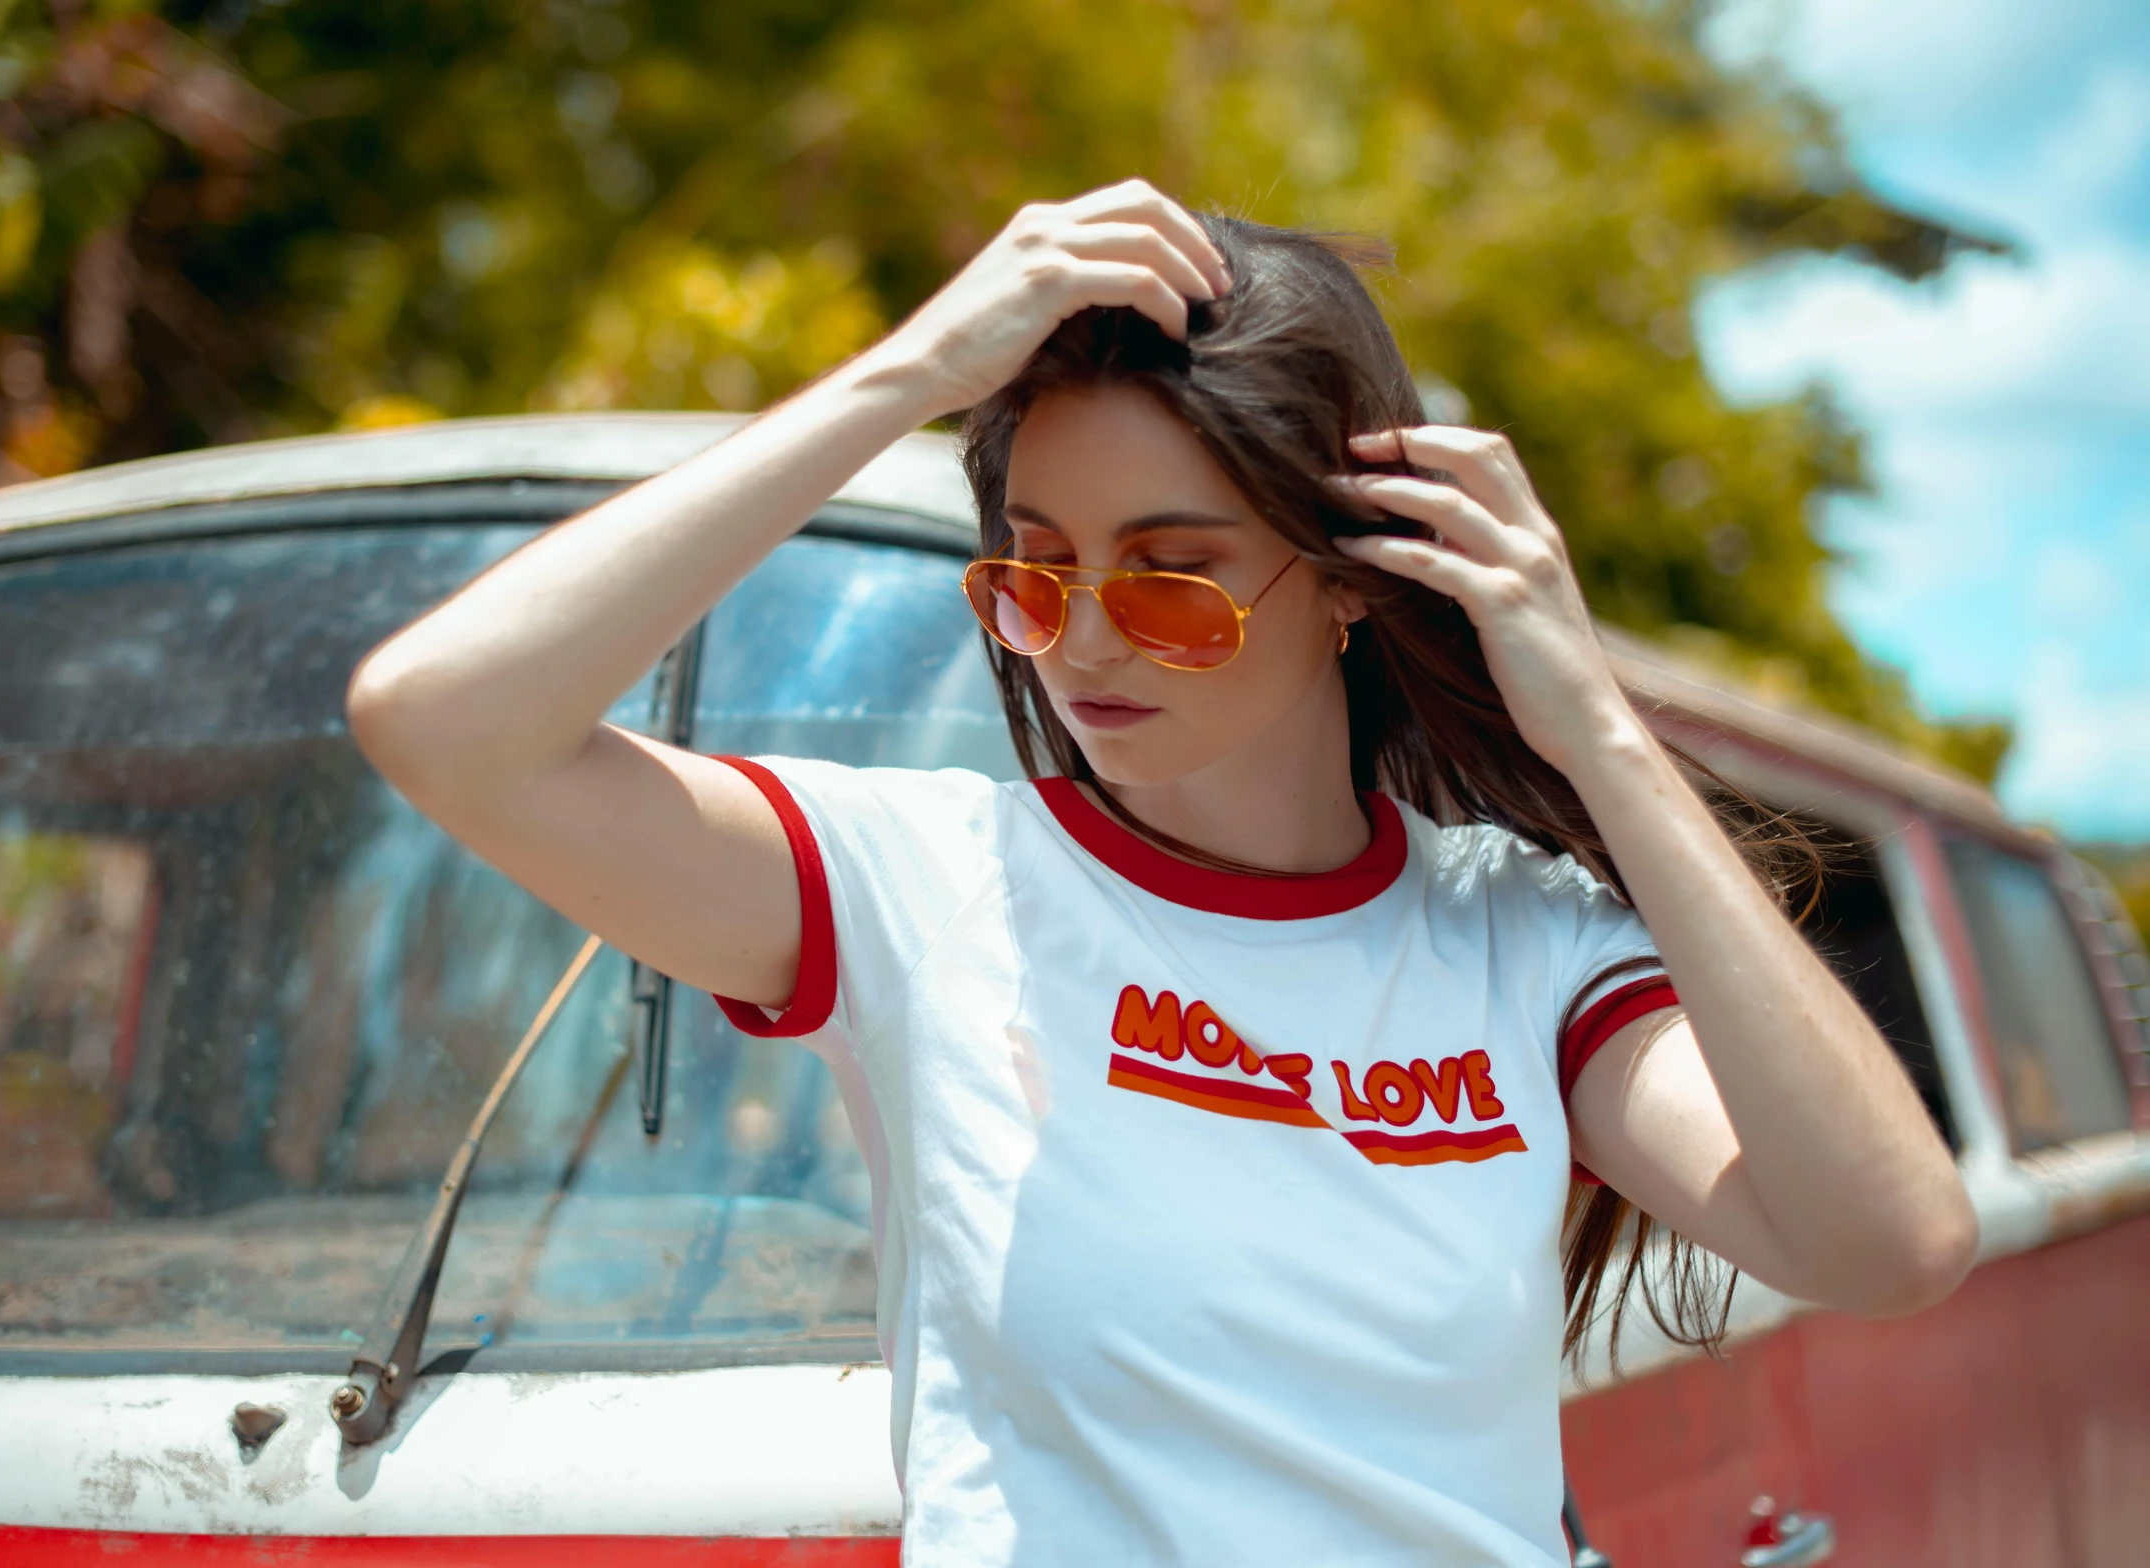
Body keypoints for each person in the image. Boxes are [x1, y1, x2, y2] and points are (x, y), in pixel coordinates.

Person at [346, 179, 1976, 1566]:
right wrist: (905, 373)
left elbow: (1892, 1242)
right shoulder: (924, 887)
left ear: (1351, 583)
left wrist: (1600, 735)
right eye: (1039, 574)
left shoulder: (1518, 938)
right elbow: (442, 723)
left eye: (1176, 579)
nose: (1091, 643)